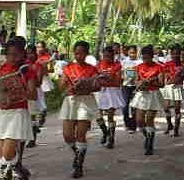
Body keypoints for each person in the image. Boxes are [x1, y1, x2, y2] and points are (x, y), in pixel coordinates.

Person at [0, 39, 37, 180]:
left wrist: (18, 89)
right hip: (4, 112)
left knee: (7, 153)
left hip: (18, 112)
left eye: (16, 54)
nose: (12, 58)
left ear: (22, 54)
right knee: (3, 155)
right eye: (9, 54)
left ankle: (13, 169)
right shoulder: (2, 69)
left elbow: (33, 95)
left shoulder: (26, 70)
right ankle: (13, 171)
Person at [59, 41, 100, 178]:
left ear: (86, 53)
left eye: (82, 53)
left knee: (80, 135)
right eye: (76, 53)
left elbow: (98, 86)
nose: (79, 55)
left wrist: (87, 85)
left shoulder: (92, 69)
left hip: (86, 101)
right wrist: (68, 86)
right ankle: (77, 154)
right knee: (67, 136)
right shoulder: (68, 68)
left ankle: (79, 165)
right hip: (71, 101)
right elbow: (61, 86)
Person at [130, 45, 164, 155]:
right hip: (142, 95)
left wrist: (151, 82)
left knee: (149, 119)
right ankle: (147, 136)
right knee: (139, 121)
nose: (145, 60)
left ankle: (150, 145)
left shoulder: (159, 67)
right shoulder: (138, 67)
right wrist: (140, 83)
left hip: (153, 94)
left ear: (152, 57)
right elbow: (135, 81)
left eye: (147, 58)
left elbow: (162, 84)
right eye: (143, 58)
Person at [96, 46, 125, 149]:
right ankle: (105, 131)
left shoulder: (117, 65)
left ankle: (111, 138)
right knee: (97, 115)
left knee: (110, 115)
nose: (107, 58)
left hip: (112, 91)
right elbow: (95, 77)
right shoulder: (98, 64)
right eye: (105, 56)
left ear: (113, 55)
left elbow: (118, 81)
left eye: (109, 56)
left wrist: (109, 77)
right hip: (101, 91)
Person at [162, 44, 184, 137]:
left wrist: (182, 74)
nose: (175, 55)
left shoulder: (183, 64)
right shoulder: (167, 64)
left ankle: (176, 128)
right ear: (171, 54)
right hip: (168, 87)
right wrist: (170, 78)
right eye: (173, 54)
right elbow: (166, 77)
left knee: (177, 109)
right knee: (166, 108)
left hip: (178, 88)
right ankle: (169, 125)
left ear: (180, 54)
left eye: (177, 54)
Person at [121, 45, 143, 133]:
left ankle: (133, 126)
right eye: (130, 52)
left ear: (137, 53)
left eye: (134, 53)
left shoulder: (140, 62)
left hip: (136, 86)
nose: (132, 55)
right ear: (128, 53)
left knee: (134, 106)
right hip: (126, 86)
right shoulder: (124, 61)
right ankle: (127, 123)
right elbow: (121, 74)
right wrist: (126, 76)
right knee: (125, 106)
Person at [25, 45, 44, 148]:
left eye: (31, 53)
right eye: (27, 53)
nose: (29, 55)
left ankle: (33, 139)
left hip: (35, 91)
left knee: (32, 114)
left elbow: (39, 82)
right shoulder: (24, 65)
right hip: (25, 91)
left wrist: (31, 78)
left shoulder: (38, 65)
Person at [36, 41, 53, 126]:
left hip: (44, 79)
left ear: (44, 48)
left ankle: (42, 112)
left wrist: (45, 66)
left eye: (40, 47)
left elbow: (51, 69)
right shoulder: (34, 56)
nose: (38, 49)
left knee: (42, 97)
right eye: (37, 47)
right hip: (35, 78)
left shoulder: (47, 57)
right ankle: (41, 113)